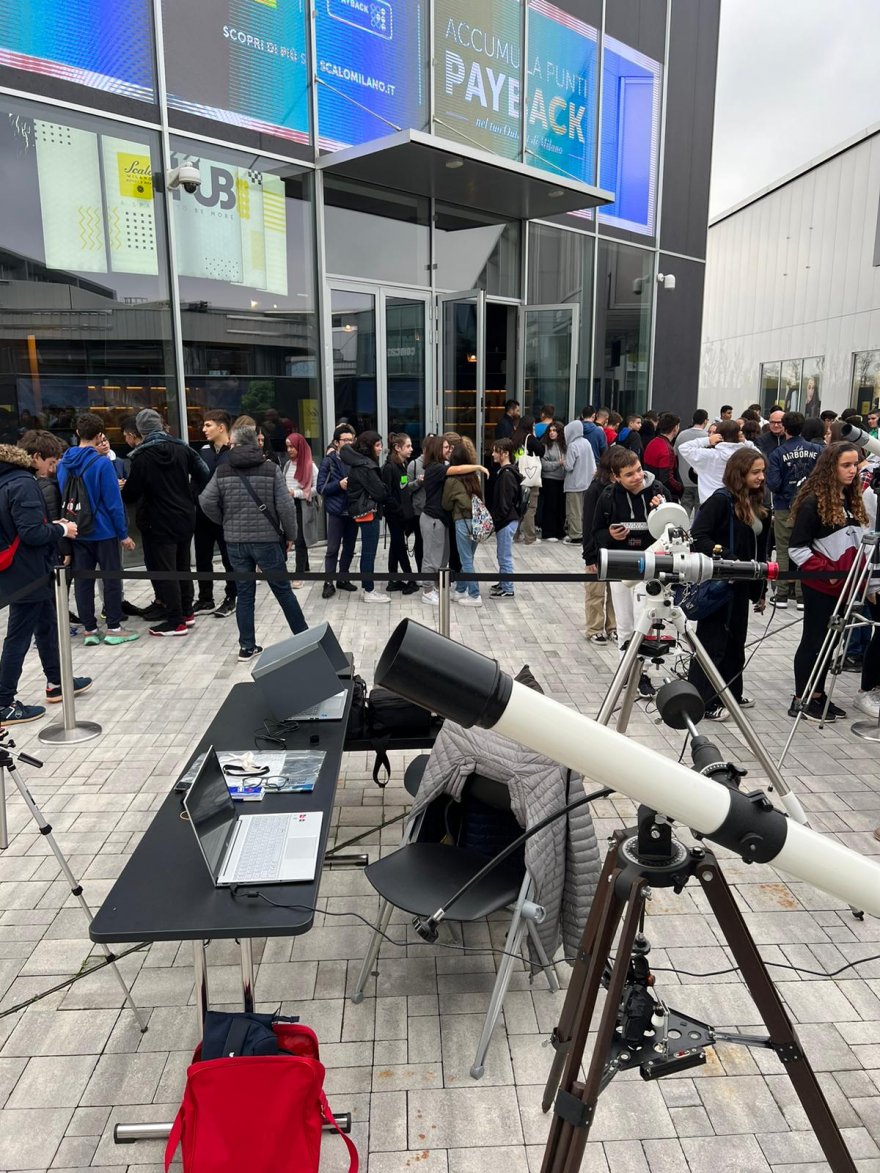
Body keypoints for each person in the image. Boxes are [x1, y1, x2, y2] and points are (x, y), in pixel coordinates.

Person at [0, 443, 90, 723]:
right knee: (19, 636)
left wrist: (50, 525)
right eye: (51, 462)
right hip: (28, 571)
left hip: (21, 570)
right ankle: (3, 701)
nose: (53, 469)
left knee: (47, 625)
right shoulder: (22, 482)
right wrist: (63, 528)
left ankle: (57, 681)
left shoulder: (6, 481)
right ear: (34, 457)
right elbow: (32, 533)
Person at [199, 423, 305, 659]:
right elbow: (286, 507)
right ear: (256, 442)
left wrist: (225, 521)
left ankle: (247, 647)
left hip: (235, 542)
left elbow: (206, 501)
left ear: (234, 444)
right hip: (267, 540)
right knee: (283, 591)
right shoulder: (271, 469)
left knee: (245, 594)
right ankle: (304, 638)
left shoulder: (222, 470)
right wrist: (291, 535)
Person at [687, 449, 771, 720]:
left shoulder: (757, 501)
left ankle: (731, 693)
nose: (761, 477)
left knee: (735, 642)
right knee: (713, 643)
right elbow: (698, 536)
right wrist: (727, 558)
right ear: (740, 473)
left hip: (743, 583)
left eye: (762, 471)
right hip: (720, 583)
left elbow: (761, 549)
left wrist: (760, 590)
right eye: (755, 472)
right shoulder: (720, 500)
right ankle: (703, 701)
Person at [788, 442, 866, 721]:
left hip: (846, 587)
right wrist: (827, 571)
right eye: (846, 465)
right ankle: (802, 698)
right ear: (830, 467)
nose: (852, 470)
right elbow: (796, 549)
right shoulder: (813, 502)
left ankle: (817, 694)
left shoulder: (850, 499)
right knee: (814, 641)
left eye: (855, 465)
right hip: (821, 586)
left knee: (830, 643)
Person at [122, 409, 210, 637]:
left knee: (166, 570)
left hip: (157, 520)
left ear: (140, 430)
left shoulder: (141, 457)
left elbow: (131, 494)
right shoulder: (183, 448)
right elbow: (204, 474)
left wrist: (125, 488)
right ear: (160, 425)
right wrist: (188, 494)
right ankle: (187, 612)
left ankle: (175, 621)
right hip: (185, 516)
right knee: (182, 565)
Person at [57, 413, 138, 647]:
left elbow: (64, 496)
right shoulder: (102, 463)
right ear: (100, 434)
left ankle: (90, 630)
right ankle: (113, 627)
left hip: (76, 529)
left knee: (83, 581)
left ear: (77, 433)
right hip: (104, 531)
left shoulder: (63, 464)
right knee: (111, 578)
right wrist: (123, 534)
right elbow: (113, 503)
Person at [591, 448, 668, 679]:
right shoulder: (608, 496)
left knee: (644, 621)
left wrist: (662, 509)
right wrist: (610, 536)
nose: (637, 477)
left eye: (639, 470)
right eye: (629, 474)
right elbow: (596, 532)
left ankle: (642, 674)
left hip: (651, 564)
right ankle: (626, 671)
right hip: (620, 563)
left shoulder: (658, 490)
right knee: (624, 622)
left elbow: (673, 529)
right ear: (616, 477)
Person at [766, 412, 823, 610]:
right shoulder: (817, 450)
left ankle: (781, 594)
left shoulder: (777, 453)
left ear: (784, 427)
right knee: (806, 548)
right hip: (810, 506)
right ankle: (802, 596)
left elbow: (773, 483)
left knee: (783, 550)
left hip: (785, 506)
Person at [340, 431, 395, 603]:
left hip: (364, 511)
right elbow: (381, 492)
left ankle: (367, 588)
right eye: (377, 445)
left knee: (367, 551)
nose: (380, 448)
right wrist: (382, 490)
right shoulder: (366, 467)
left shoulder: (358, 463)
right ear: (368, 447)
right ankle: (369, 590)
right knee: (369, 553)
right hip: (369, 513)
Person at [194, 410, 237, 618]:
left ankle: (232, 598)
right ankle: (205, 598)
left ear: (221, 427)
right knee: (202, 558)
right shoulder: (203, 451)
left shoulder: (235, 451)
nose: (204, 429)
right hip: (202, 515)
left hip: (226, 517)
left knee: (230, 560)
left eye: (208, 425)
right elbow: (196, 481)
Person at [317, 424, 358, 599]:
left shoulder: (356, 460)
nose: (348, 443)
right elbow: (320, 488)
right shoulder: (329, 461)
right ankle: (328, 582)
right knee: (332, 548)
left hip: (353, 510)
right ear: (336, 442)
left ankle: (343, 578)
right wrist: (339, 485)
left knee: (349, 547)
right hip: (336, 511)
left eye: (351, 440)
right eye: (345, 440)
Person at [442, 438, 484, 607]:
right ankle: (461, 589)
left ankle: (474, 595)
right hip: (477, 521)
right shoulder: (475, 477)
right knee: (468, 557)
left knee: (465, 558)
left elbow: (446, 504)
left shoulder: (451, 481)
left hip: (462, 521)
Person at [581, 449, 617, 643]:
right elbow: (588, 525)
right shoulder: (595, 489)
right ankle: (594, 628)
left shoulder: (624, 488)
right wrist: (590, 556)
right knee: (595, 591)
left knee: (617, 592)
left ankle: (614, 626)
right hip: (597, 550)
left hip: (618, 549)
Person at [679, 420, 755, 503]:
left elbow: (684, 448)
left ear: (719, 435)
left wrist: (708, 440)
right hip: (736, 501)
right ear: (738, 435)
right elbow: (759, 456)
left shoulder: (710, 455)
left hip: (709, 501)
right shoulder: (744, 456)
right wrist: (746, 442)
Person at [381, 433, 419, 594]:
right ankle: (410, 579)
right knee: (400, 547)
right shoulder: (389, 468)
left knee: (395, 545)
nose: (411, 449)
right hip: (394, 515)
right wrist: (399, 510)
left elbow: (403, 489)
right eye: (408, 446)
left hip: (402, 515)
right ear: (397, 448)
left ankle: (393, 579)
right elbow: (387, 494)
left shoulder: (403, 464)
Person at [282, 432, 319, 586]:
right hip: (288, 506)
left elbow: (317, 488)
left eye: (292, 447)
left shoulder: (310, 466)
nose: (289, 450)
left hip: (302, 506)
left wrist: (296, 493)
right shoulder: (287, 465)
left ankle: (299, 574)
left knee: (300, 540)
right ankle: (305, 566)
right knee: (293, 537)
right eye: (287, 447)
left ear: (300, 447)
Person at [489, 438, 522, 599]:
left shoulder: (506, 475)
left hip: (506, 521)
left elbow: (504, 503)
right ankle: (503, 582)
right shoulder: (508, 472)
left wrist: (496, 520)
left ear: (505, 453)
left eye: (496, 451)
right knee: (502, 554)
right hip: (508, 519)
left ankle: (508, 587)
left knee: (504, 555)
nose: (493, 454)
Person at [511, 416, 544, 544]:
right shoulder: (530, 438)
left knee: (518, 506)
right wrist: (534, 436)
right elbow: (541, 451)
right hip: (530, 477)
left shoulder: (514, 437)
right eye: (533, 425)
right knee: (531, 506)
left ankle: (515, 534)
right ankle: (530, 537)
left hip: (516, 475)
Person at [562, 421, 596, 543]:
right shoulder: (586, 442)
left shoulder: (572, 446)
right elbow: (593, 463)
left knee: (574, 511)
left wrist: (563, 462)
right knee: (583, 511)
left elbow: (569, 466)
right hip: (586, 483)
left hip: (574, 484)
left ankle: (576, 536)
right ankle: (583, 533)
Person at [675, 409, 709, 518]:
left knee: (684, 512)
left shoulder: (682, 435)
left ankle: (682, 528)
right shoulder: (707, 438)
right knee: (700, 514)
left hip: (683, 480)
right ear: (705, 421)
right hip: (701, 481)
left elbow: (675, 453)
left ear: (692, 420)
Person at [642, 413, 683, 501]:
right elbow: (666, 478)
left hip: (651, 488)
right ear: (675, 428)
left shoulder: (652, 442)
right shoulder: (666, 448)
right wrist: (680, 487)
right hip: (663, 494)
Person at [539, 421, 566, 542]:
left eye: (555, 430)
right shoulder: (545, 445)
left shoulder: (564, 445)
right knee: (550, 506)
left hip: (562, 479)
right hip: (549, 479)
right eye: (550, 430)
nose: (552, 433)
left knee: (561, 507)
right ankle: (548, 533)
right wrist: (558, 463)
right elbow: (544, 464)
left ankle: (560, 532)